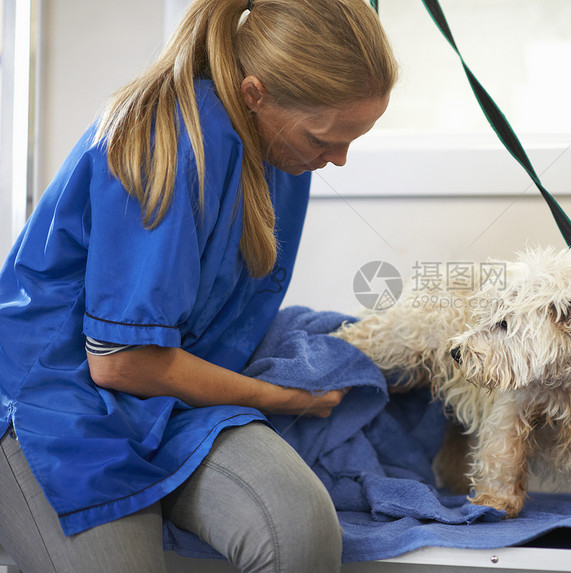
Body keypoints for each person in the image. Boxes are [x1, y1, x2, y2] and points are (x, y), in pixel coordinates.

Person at [0, 0, 396, 571]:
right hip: (57, 406)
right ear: (255, 92)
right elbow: (121, 362)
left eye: (351, 139)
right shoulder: (166, 142)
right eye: (323, 139)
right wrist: (284, 399)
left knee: (301, 530)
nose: (337, 160)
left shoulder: (280, 150)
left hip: (175, 398)